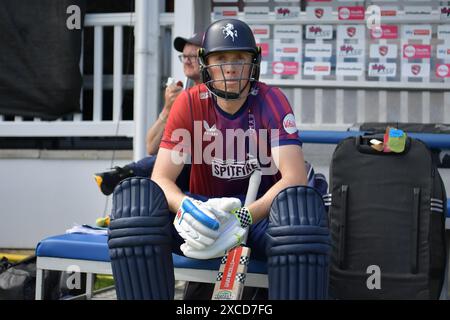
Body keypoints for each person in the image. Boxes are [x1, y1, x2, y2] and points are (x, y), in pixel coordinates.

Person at [108, 19, 330, 300]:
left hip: (261, 216)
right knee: (135, 207)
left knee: (300, 219)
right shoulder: (188, 103)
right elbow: (161, 178)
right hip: (203, 214)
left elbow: (294, 177)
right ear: (206, 63)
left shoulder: (272, 101)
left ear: (254, 62)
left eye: (240, 57)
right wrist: (188, 208)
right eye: (221, 58)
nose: (231, 66)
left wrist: (246, 216)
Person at [94, 32, 203, 195]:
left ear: (207, 59)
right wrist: (168, 109)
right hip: (183, 169)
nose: (186, 60)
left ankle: (125, 174)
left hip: (203, 168)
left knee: (168, 160)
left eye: (192, 56)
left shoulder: (213, 94)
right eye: (184, 56)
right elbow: (151, 147)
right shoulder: (183, 92)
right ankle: (125, 183)